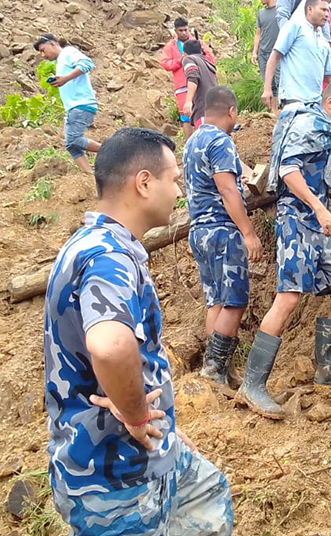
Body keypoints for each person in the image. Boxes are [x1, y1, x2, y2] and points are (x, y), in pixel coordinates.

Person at [44, 127, 233, 535]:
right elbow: (110, 347)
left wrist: (161, 422)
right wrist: (136, 414)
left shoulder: (93, 243)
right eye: (175, 180)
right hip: (115, 477)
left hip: (138, 454)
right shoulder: (108, 256)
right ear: (144, 183)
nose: (180, 192)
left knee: (207, 492)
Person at [235, 80, 331, 419]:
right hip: (298, 220)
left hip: (318, 225)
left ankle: (328, 369)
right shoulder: (308, 124)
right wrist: (320, 209)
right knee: (289, 298)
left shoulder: (328, 133)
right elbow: (288, 170)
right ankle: (252, 383)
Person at [183, 87, 263, 387]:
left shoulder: (192, 141)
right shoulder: (221, 141)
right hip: (222, 232)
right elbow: (228, 190)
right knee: (234, 302)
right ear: (231, 111)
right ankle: (213, 370)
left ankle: (220, 371)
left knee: (215, 302)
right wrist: (248, 232)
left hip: (199, 231)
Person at [33, 34, 101, 174]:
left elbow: (88, 64)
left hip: (81, 105)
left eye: (43, 50)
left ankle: (111, 149)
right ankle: (90, 174)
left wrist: (66, 78)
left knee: (74, 140)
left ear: (52, 44)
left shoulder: (68, 52)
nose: (42, 55)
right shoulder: (61, 61)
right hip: (74, 107)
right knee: (71, 145)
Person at [262, 0, 331, 111]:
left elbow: (330, 76)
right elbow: (274, 57)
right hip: (293, 99)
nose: (327, 14)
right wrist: (267, 89)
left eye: (328, 11)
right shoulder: (295, 26)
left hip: (315, 103)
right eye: (323, 9)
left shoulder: (324, 41)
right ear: (310, 9)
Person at [160, 18, 215, 138]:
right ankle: (189, 144)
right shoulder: (171, 46)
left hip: (200, 84)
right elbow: (164, 63)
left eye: (186, 30)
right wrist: (180, 60)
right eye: (181, 30)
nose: (184, 33)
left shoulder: (197, 42)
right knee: (186, 116)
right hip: (182, 86)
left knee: (203, 111)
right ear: (175, 31)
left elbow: (210, 58)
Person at [182, 39, 218, 138]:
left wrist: (188, 101)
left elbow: (193, 76)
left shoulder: (188, 59)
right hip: (217, 111)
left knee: (205, 143)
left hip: (203, 111)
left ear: (185, 53)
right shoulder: (207, 63)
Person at [253, 0, 280, 104]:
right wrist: (255, 52)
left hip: (278, 53)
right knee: (268, 85)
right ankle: (273, 113)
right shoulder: (260, 13)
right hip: (263, 54)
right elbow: (258, 33)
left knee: (280, 83)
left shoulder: (282, 10)